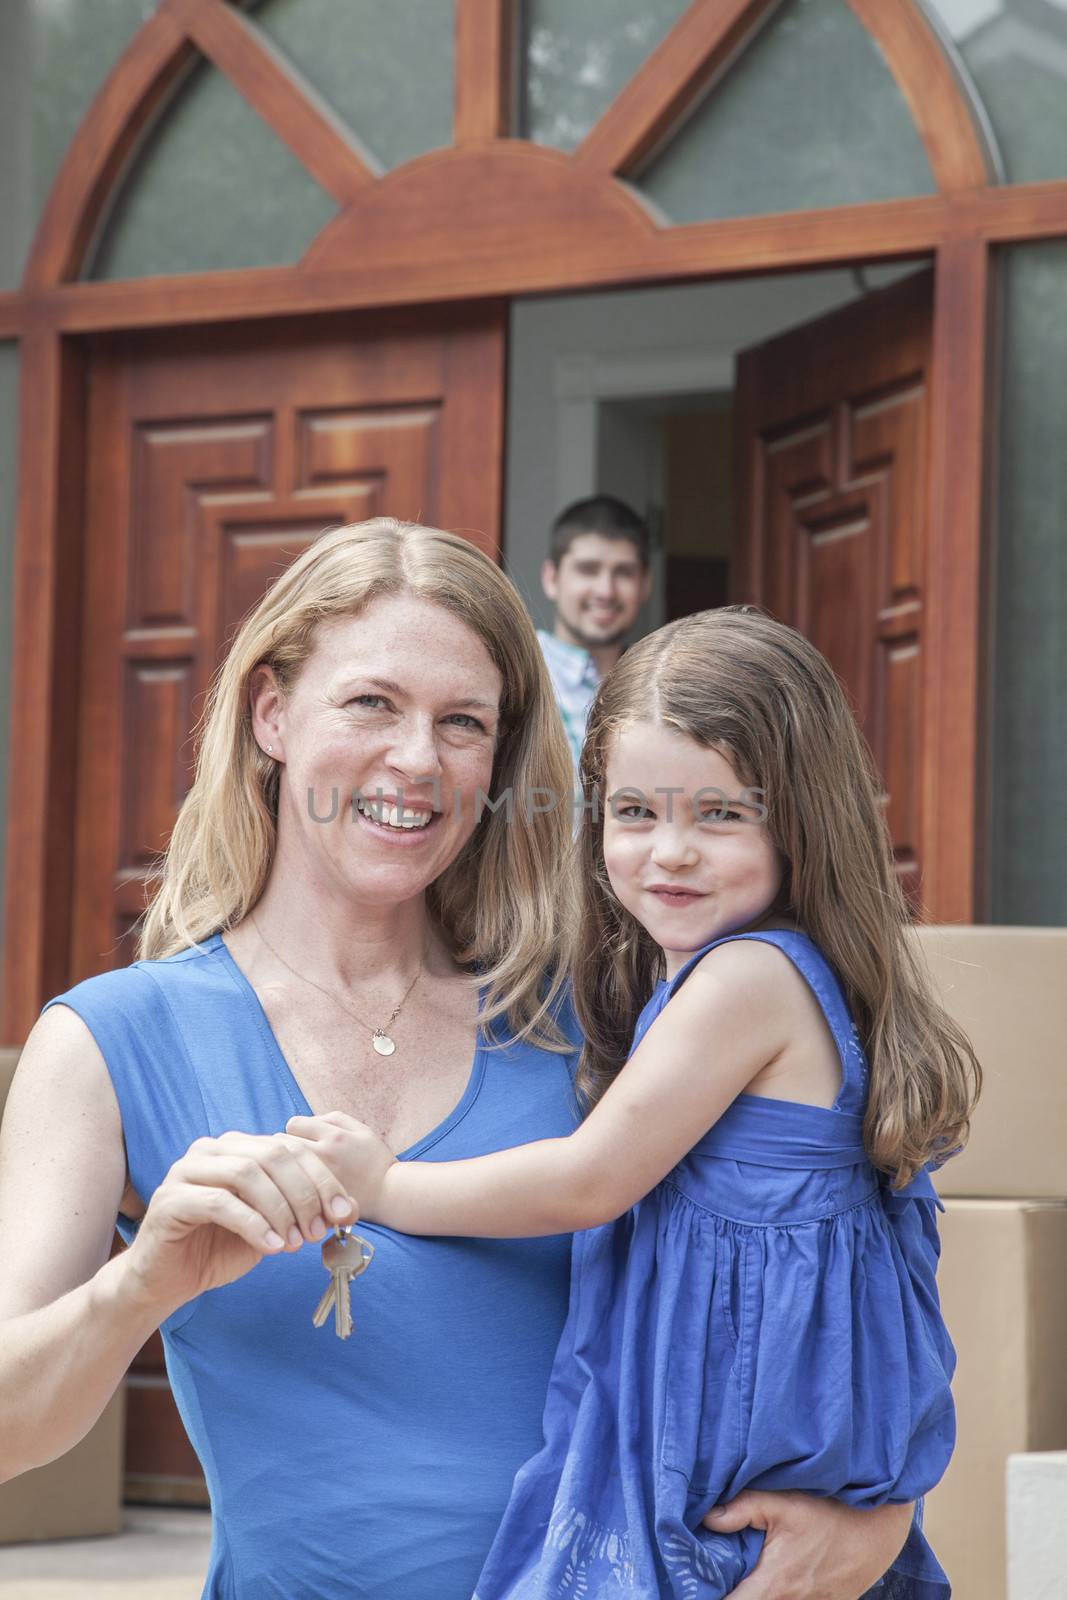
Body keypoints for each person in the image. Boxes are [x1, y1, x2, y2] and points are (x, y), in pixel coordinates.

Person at [0, 524, 918, 1600]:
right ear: (271, 715)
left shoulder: (598, 1009)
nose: (417, 760)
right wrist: (142, 1282)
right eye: (370, 703)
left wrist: (877, 1516)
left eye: (463, 723)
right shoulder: (111, 1039)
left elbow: (832, 1249)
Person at [286, 606, 981, 1598]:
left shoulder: (747, 978)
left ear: (801, 819)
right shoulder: (718, 976)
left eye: (719, 814)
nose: (668, 853)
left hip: (724, 1474)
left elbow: (587, 1179)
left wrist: (384, 1185)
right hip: (743, 1463)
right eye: (634, 812)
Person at [536, 495, 651, 773]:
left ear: (645, 584)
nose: (605, 591)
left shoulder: (659, 682)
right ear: (552, 579)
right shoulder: (518, 671)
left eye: (623, 573)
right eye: (588, 570)